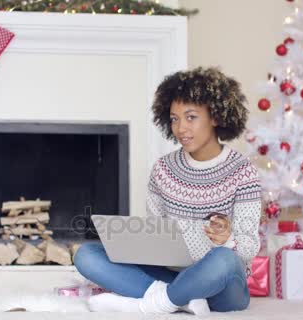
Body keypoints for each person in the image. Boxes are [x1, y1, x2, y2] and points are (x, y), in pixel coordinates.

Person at [74, 67, 262, 315]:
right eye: (174, 119)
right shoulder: (164, 169)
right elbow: (156, 239)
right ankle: (180, 299)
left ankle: (150, 304)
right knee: (86, 254)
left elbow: (249, 248)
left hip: (223, 285)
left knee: (224, 258)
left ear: (215, 117)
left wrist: (228, 239)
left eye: (191, 117)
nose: (181, 128)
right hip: (171, 275)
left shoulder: (243, 171)